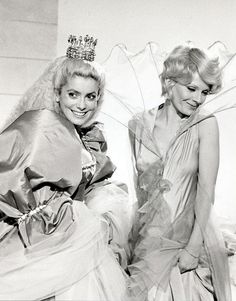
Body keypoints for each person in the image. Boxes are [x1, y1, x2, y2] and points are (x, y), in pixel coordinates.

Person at [0, 35, 131, 300]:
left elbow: (94, 184)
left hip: (78, 242)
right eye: (73, 94)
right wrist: (81, 221)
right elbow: (18, 191)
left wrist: (101, 213)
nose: (82, 105)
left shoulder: (91, 136)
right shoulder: (38, 129)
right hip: (39, 239)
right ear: (57, 94)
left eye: (90, 96)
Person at [127, 45, 232, 300]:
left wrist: (194, 248)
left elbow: (207, 190)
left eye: (204, 91)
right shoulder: (137, 124)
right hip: (148, 242)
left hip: (185, 243)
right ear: (170, 82)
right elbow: (141, 190)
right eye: (191, 88)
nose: (197, 98)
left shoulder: (205, 124)